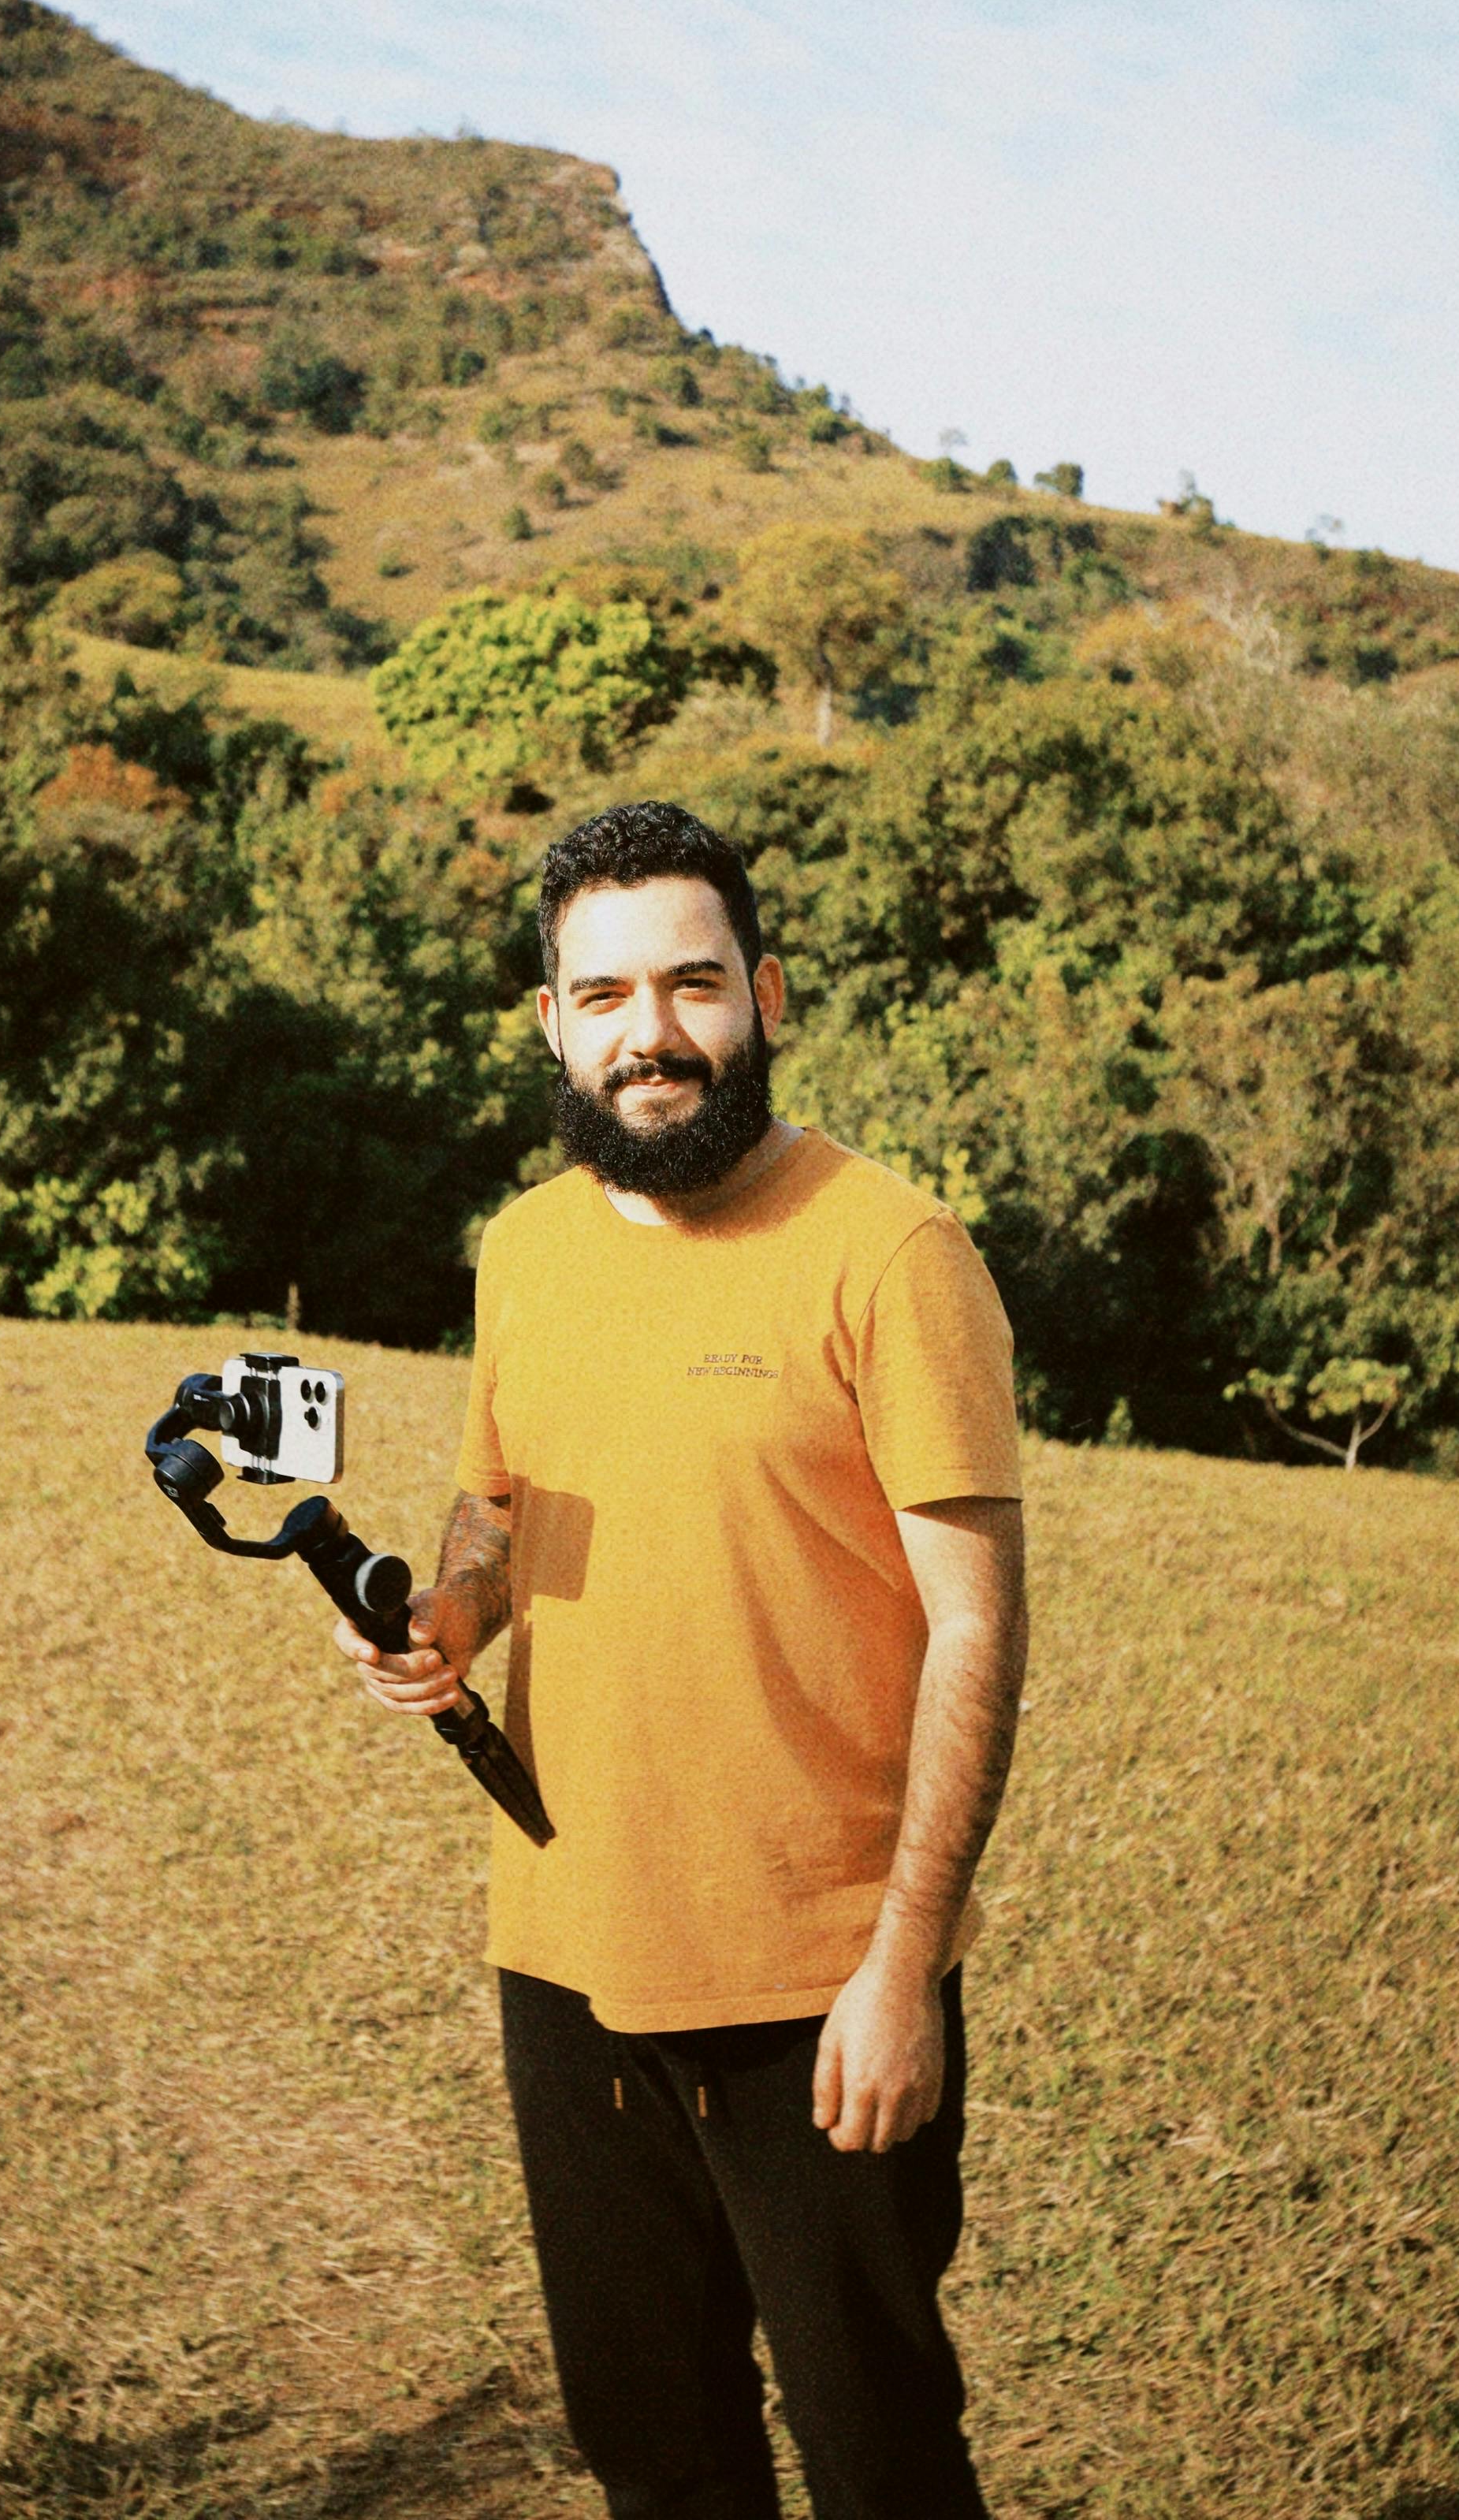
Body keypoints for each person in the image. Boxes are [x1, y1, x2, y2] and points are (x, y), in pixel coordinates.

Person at [335, 799, 1028, 2520]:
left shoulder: (893, 1254)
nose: (654, 1035)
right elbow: (497, 1498)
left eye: (694, 985)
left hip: (817, 1982)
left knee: (877, 2451)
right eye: (608, 995)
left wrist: (904, 1966)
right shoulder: (528, 1246)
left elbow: (976, 1625)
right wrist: (454, 1616)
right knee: (655, 2451)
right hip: (567, 1961)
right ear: (552, 1021)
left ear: (766, 996)